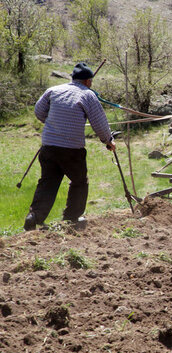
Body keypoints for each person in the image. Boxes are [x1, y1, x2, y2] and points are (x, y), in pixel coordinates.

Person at [24, 62, 116, 231]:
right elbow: (99, 123)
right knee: (79, 181)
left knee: (48, 182)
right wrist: (108, 140)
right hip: (72, 150)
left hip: (49, 147)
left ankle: (34, 216)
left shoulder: (54, 90)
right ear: (88, 81)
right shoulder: (88, 95)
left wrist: (53, 123)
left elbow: (39, 111)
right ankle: (71, 218)